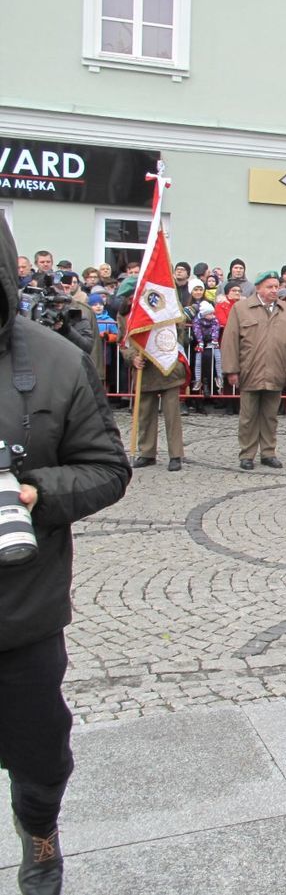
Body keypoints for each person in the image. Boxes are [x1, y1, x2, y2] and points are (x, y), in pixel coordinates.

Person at [0, 219, 131, 894]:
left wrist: (30, 489)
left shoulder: (53, 360)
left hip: (21, 611)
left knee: (40, 751)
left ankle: (39, 832)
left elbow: (109, 468)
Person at [221, 271, 286, 470]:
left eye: (276, 286)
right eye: (269, 286)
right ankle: (247, 454)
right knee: (248, 416)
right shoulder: (241, 309)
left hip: (277, 371)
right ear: (258, 288)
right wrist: (231, 370)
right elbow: (230, 341)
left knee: (270, 416)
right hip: (250, 370)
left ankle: (268, 452)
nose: (274, 290)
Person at [124, 317, 186, 472]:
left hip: (169, 369)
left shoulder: (170, 313)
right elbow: (125, 342)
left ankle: (175, 455)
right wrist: (133, 357)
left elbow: (179, 338)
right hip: (145, 372)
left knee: (172, 416)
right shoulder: (135, 313)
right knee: (145, 415)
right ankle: (147, 452)